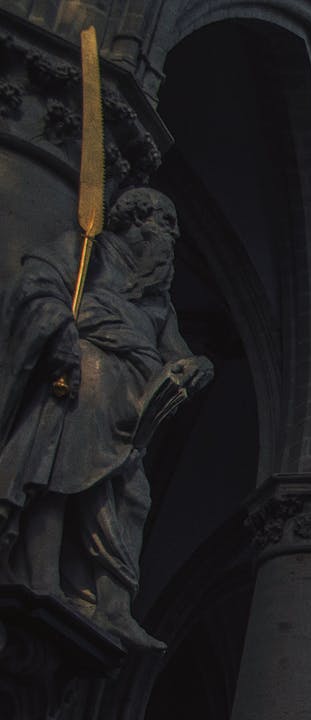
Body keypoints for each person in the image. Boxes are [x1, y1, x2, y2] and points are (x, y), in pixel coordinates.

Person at [0, 186, 213, 647]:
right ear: (133, 220)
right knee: (57, 476)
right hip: (84, 383)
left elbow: (177, 350)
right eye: (165, 224)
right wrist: (57, 330)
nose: (172, 237)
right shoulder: (87, 256)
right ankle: (41, 581)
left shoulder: (157, 297)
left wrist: (199, 366)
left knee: (132, 499)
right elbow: (38, 287)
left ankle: (112, 607)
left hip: (133, 410)